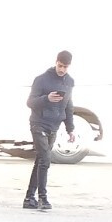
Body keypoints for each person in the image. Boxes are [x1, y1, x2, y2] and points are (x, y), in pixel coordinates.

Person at [23, 49, 76, 211]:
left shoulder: (69, 82)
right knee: (45, 160)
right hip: (38, 123)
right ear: (56, 62)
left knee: (40, 160)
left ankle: (29, 198)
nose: (62, 70)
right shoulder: (41, 80)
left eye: (65, 67)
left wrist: (70, 128)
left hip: (54, 125)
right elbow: (30, 102)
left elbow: (68, 105)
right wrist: (46, 99)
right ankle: (42, 199)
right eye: (60, 66)